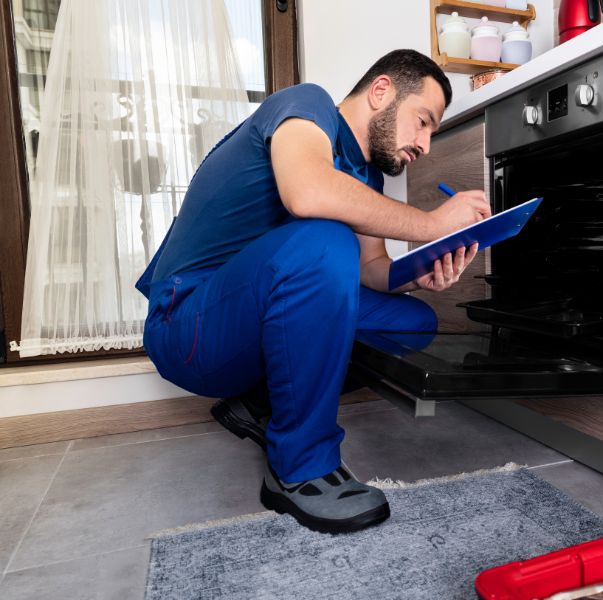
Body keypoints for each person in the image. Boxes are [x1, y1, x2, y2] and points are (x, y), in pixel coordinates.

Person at [135, 49, 491, 534]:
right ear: (381, 91)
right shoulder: (306, 106)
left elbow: (373, 272)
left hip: (250, 316)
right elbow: (307, 193)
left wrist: (422, 270)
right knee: (325, 239)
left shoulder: (364, 176)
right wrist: (429, 224)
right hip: (188, 325)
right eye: (423, 122)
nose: (425, 144)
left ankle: (259, 406)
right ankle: (299, 467)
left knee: (413, 321)